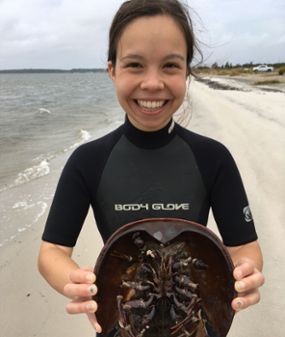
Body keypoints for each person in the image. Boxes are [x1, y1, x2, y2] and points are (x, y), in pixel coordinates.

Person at [38, 0, 265, 335]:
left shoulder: (213, 158)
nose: (152, 83)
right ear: (112, 70)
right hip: (126, 318)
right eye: (134, 65)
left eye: (170, 66)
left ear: (187, 72)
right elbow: (52, 251)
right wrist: (77, 284)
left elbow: (244, 248)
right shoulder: (87, 161)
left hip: (192, 322)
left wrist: (246, 271)